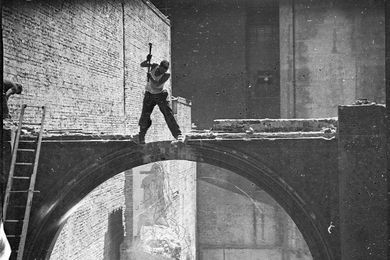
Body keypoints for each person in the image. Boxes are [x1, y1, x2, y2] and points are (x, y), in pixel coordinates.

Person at [137, 55, 183, 144]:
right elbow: (142, 65)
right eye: (162, 69)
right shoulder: (154, 66)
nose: (163, 71)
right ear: (160, 66)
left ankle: (178, 134)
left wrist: (150, 77)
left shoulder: (166, 75)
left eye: (165, 70)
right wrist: (147, 60)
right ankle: (141, 136)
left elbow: (157, 84)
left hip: (160, 95)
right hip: (149, 95)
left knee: (168, 114)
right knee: (145, 116)